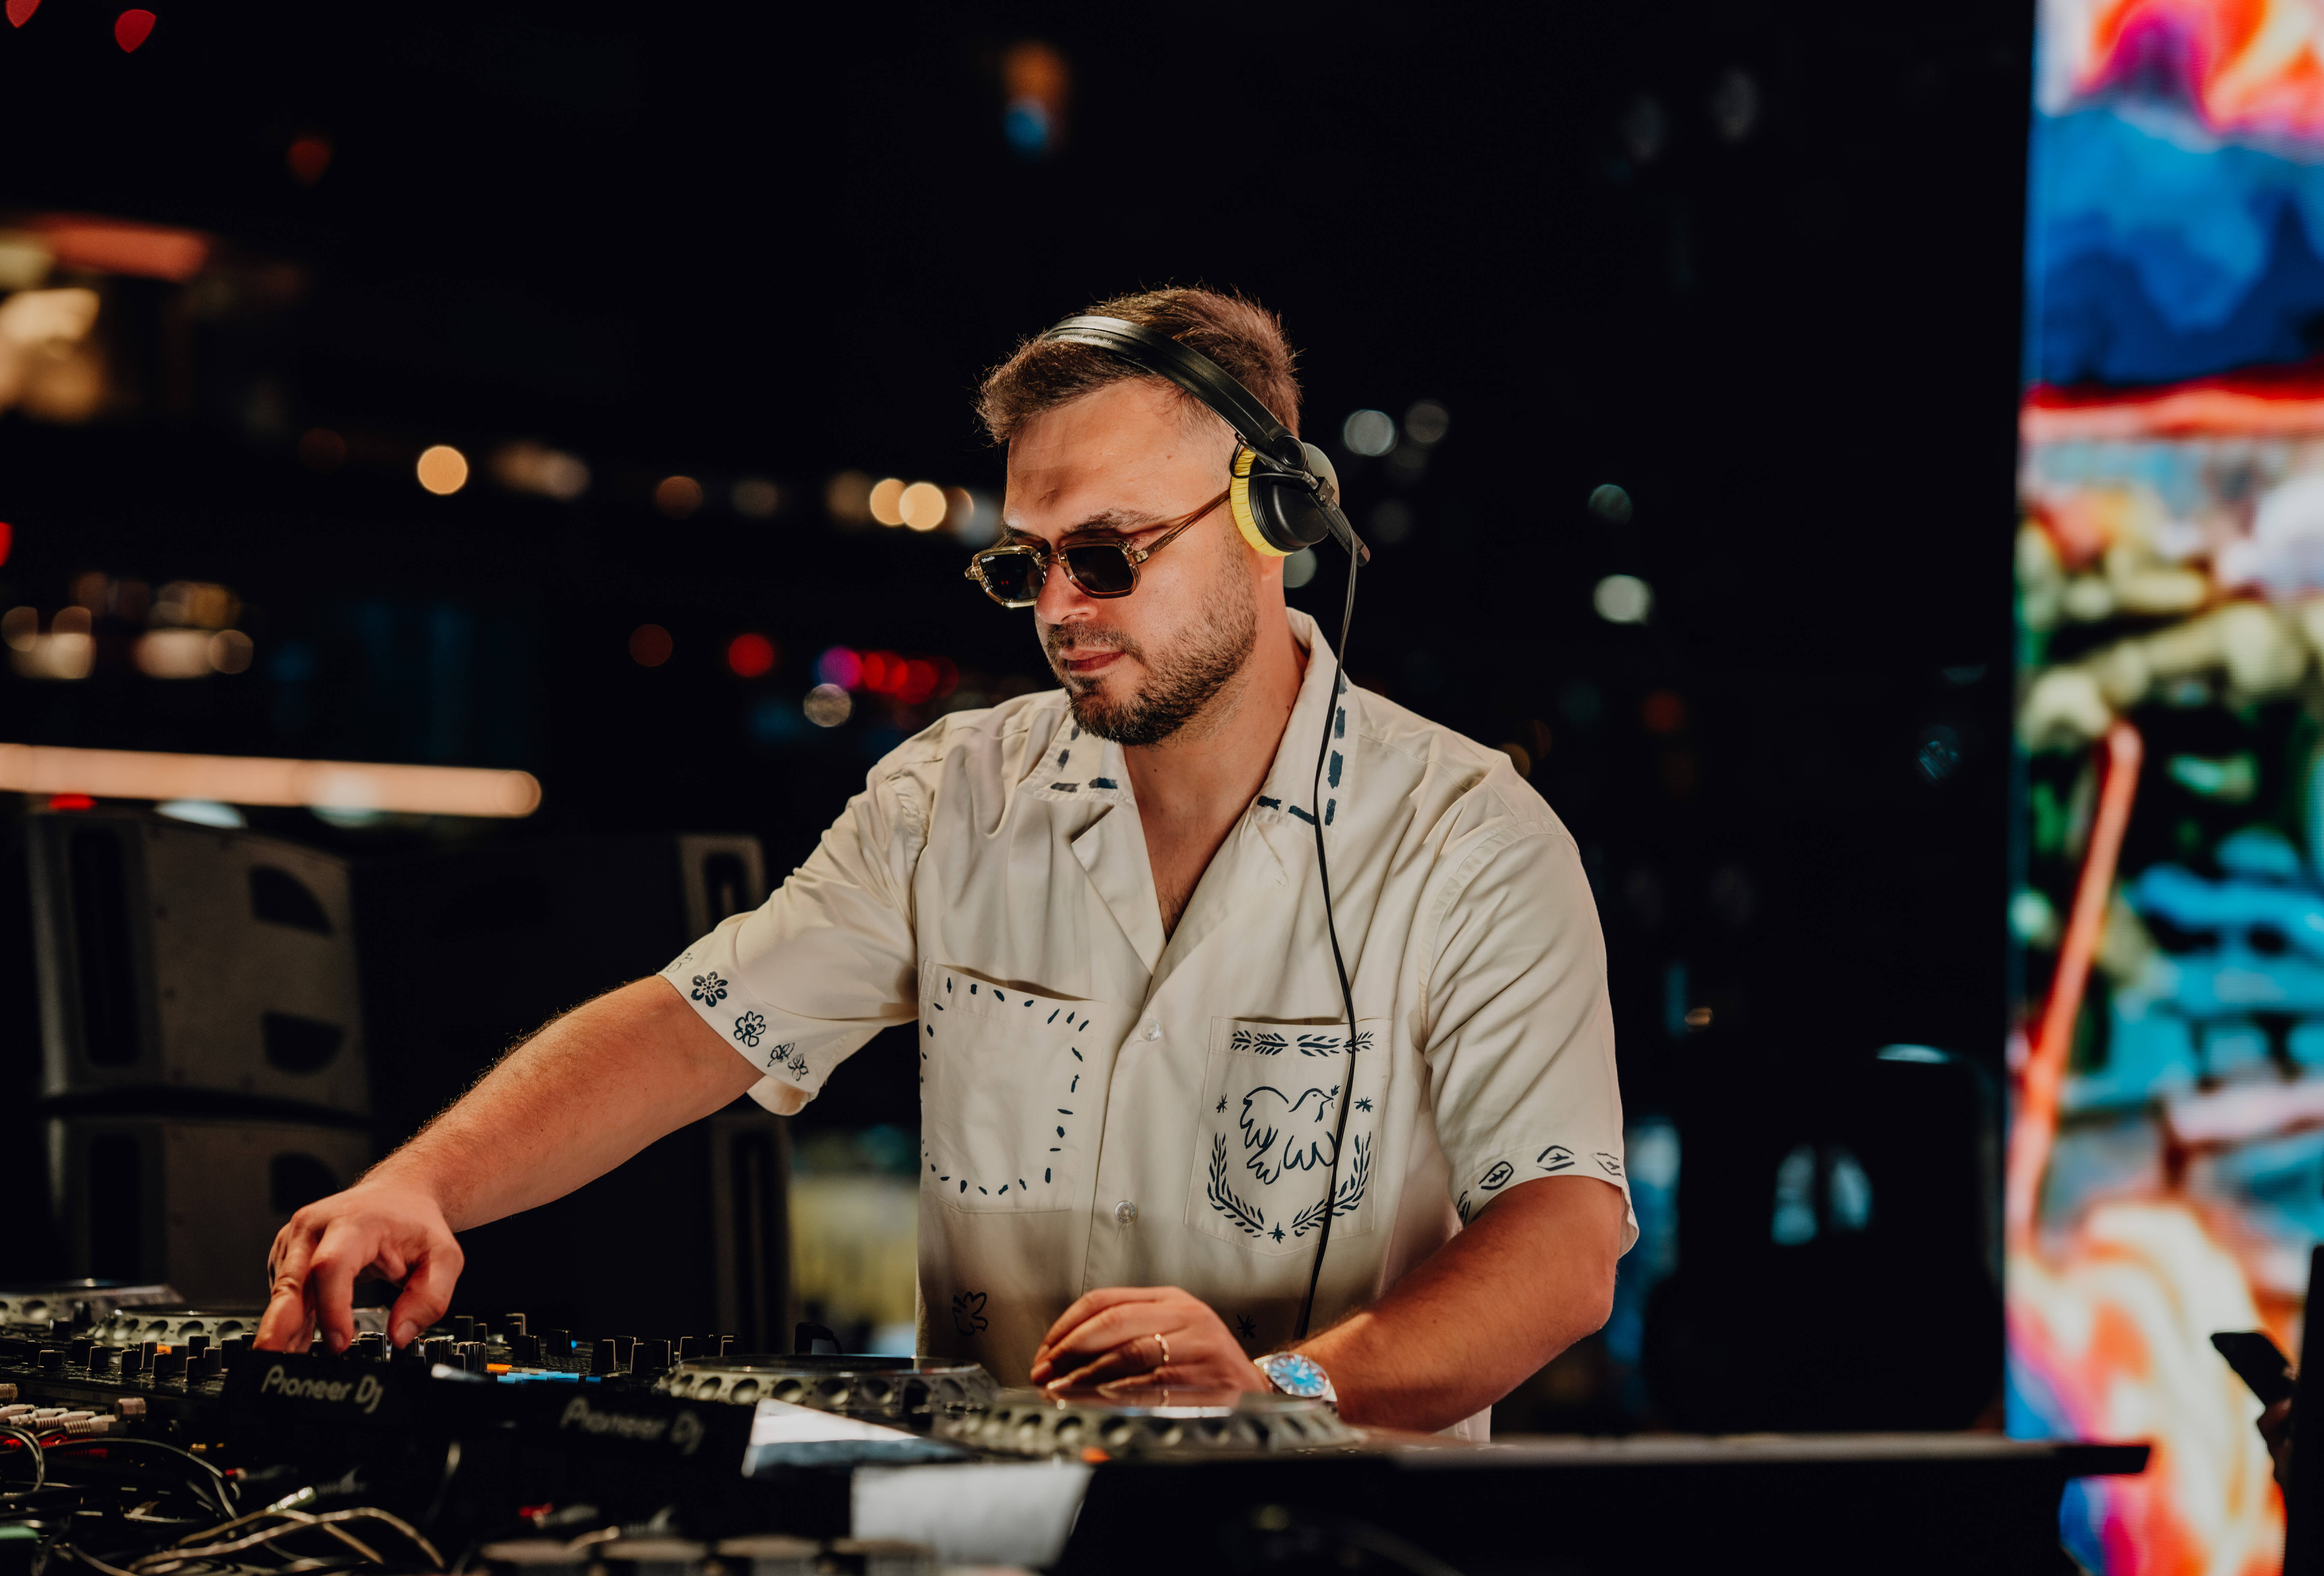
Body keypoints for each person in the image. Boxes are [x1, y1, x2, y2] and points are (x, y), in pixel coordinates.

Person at [255, 287, 1633, 1436]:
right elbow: (691, 1027)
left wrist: (1278, 1392)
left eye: (1107, 556)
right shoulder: (950, 797)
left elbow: (1564, 1249)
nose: (1061, 611)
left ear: (1272, 517)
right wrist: (420, 1184)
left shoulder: (1473, 841)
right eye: (1028, 565)